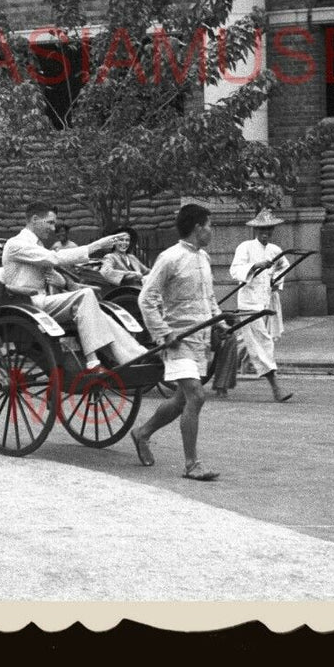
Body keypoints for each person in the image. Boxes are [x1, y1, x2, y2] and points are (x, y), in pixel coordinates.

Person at [131, 204, 225, 481]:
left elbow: (209, 300)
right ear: (198, 227)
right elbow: (145, 298)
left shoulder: (204, 258)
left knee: (181, 399)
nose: (212, 230)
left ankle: (142, 432)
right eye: (209, 225)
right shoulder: (170, 257)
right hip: (177, 339)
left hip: (200, 339)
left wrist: (221, 323)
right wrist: (163, 332)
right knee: (196, 395)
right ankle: (191, 464)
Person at [2, 203, 148, 371]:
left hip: (42, 302)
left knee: (99, 313)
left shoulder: (36, 245)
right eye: (49, 222)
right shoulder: (16, 244)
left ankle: (135, 355)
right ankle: (92, 361)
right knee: (84, 294)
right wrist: (97, 245)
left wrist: (61, 282)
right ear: (35, 219)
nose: (53, 228)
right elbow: (54, 258)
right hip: (28, 304)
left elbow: (51, 269)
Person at [229, 208, 294, 403]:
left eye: (269, 230)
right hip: (249, 301)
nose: (265, 234)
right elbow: (235, 270)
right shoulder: (245, 247)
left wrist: (276, 280)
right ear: (255, 231)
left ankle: (228, 373)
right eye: (262, 230)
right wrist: (255, 267)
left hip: (266, 299)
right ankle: (276, 387)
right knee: (262, 340)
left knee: (249, 339)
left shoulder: (274, 250)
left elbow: (285, 265)